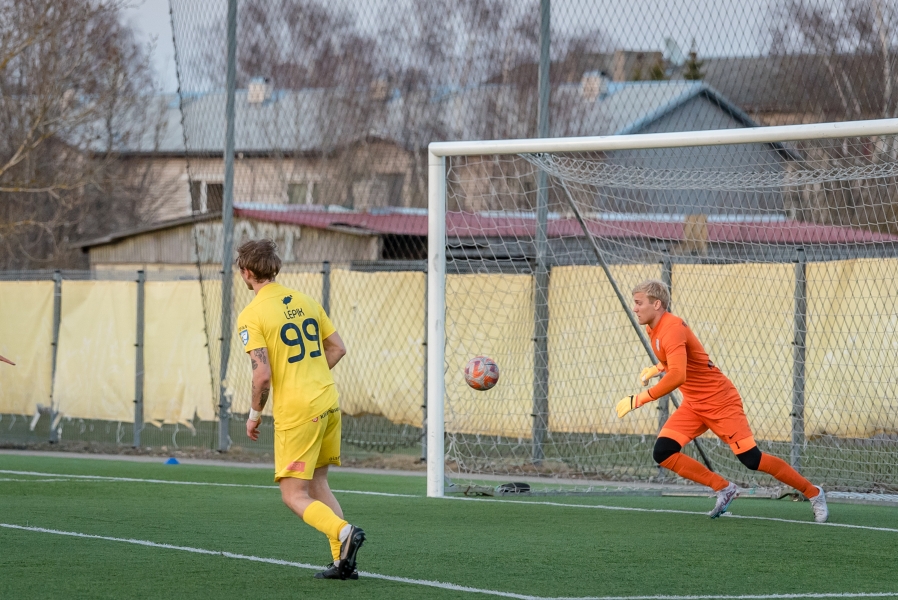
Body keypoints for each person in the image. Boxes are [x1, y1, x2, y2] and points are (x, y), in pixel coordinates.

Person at [616, 279, 828, 523]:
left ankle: (814, 493)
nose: (635, 308)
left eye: (639, 303)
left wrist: (640, 399)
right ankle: (724, 487)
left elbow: (678, 374)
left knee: (752, 460)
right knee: (663, 452)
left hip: (720, 401)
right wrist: (656, 368)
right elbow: (677, 359)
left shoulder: (671, 327)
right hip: (694, 404)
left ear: (656, 304)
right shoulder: (654, 328)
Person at [236, 239, 365, 580]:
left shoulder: (252, 314)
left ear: (246, 272)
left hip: (298, 409)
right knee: (319, 482)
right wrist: (311, 374)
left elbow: (261, 376)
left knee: (293, 495)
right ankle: (342, 563)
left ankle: (344, 533)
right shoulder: (306, 301)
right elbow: (337, 348)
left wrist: (253, 415)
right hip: (327, 400)